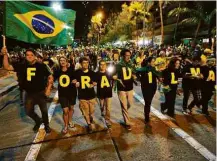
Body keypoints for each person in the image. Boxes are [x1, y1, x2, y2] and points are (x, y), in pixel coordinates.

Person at [1, 47, 53, 133]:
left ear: (35, 56)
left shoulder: (42, 65)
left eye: (31, 55)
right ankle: (38, 121)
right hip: (28, 93)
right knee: (28, 111)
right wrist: (5, 54)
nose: (29, 56)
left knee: (44, 111)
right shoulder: (22, 65)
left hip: (40, 92)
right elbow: (7, 66)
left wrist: (48, 89)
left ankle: (46, 125)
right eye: (27, 55)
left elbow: (50, 77)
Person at [114, 49, 137, 131]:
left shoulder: (131, 64)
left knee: (129, 104)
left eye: (129, 55)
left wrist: (134, 76)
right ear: (123, 56)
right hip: (121, 88)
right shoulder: (118, 65)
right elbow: (113, 74)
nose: (128, 57)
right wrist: (114, 77)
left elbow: (134, 73)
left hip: (130, 88)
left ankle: (125, 113)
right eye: (126, 55)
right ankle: (127, 122)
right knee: (124, 106)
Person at [73, 57, 97, 133]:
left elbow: (96, 81)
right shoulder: (76, 73)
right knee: (85, 112)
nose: (86, 64)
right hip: (82, 96)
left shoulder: (92, 73)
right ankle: (89, 124)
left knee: (92, 111)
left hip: (91, 95)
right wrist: (74, 82)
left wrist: (94, 84)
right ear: (80, 64)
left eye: (87, 63)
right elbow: (73, 80)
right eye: (84, 63)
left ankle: (90, 118)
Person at [53, 57, 77, 134]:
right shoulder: (57, 71)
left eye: (64, 60)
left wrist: (75, 81)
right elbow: (51, 79)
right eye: (61, 60)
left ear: (67, 62)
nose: (62, 62)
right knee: (65, 110)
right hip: (62, 93)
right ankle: (66, 125)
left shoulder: (71, 70)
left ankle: (70, 120)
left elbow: (76, 79)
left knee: (71, 108)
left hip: (72, 92)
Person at [136, 57, 161, 123]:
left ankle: (147, 114)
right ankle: (146, 117)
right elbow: (137, 72)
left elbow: (157, 75)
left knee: (149, 102)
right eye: (152, 61)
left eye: (154, 61)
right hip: (145, 87)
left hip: (153, 87)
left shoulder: (154, 69)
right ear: (148, 62)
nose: (154, 63)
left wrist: (159, 79)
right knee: (147, 102)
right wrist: (140, 79)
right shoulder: (144, 69)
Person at [95, 60, 113, 128]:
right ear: (99, 65)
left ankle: (107, 120)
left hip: (108, 92)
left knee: (108, 107)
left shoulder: (109, 73)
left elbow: (112, 80)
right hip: (101, 93)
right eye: (101, 64)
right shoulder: (96, 74)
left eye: (104, 64)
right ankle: (102, 111)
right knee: (102, 106)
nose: (102, 66)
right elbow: (94, 81)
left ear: (106, 65)